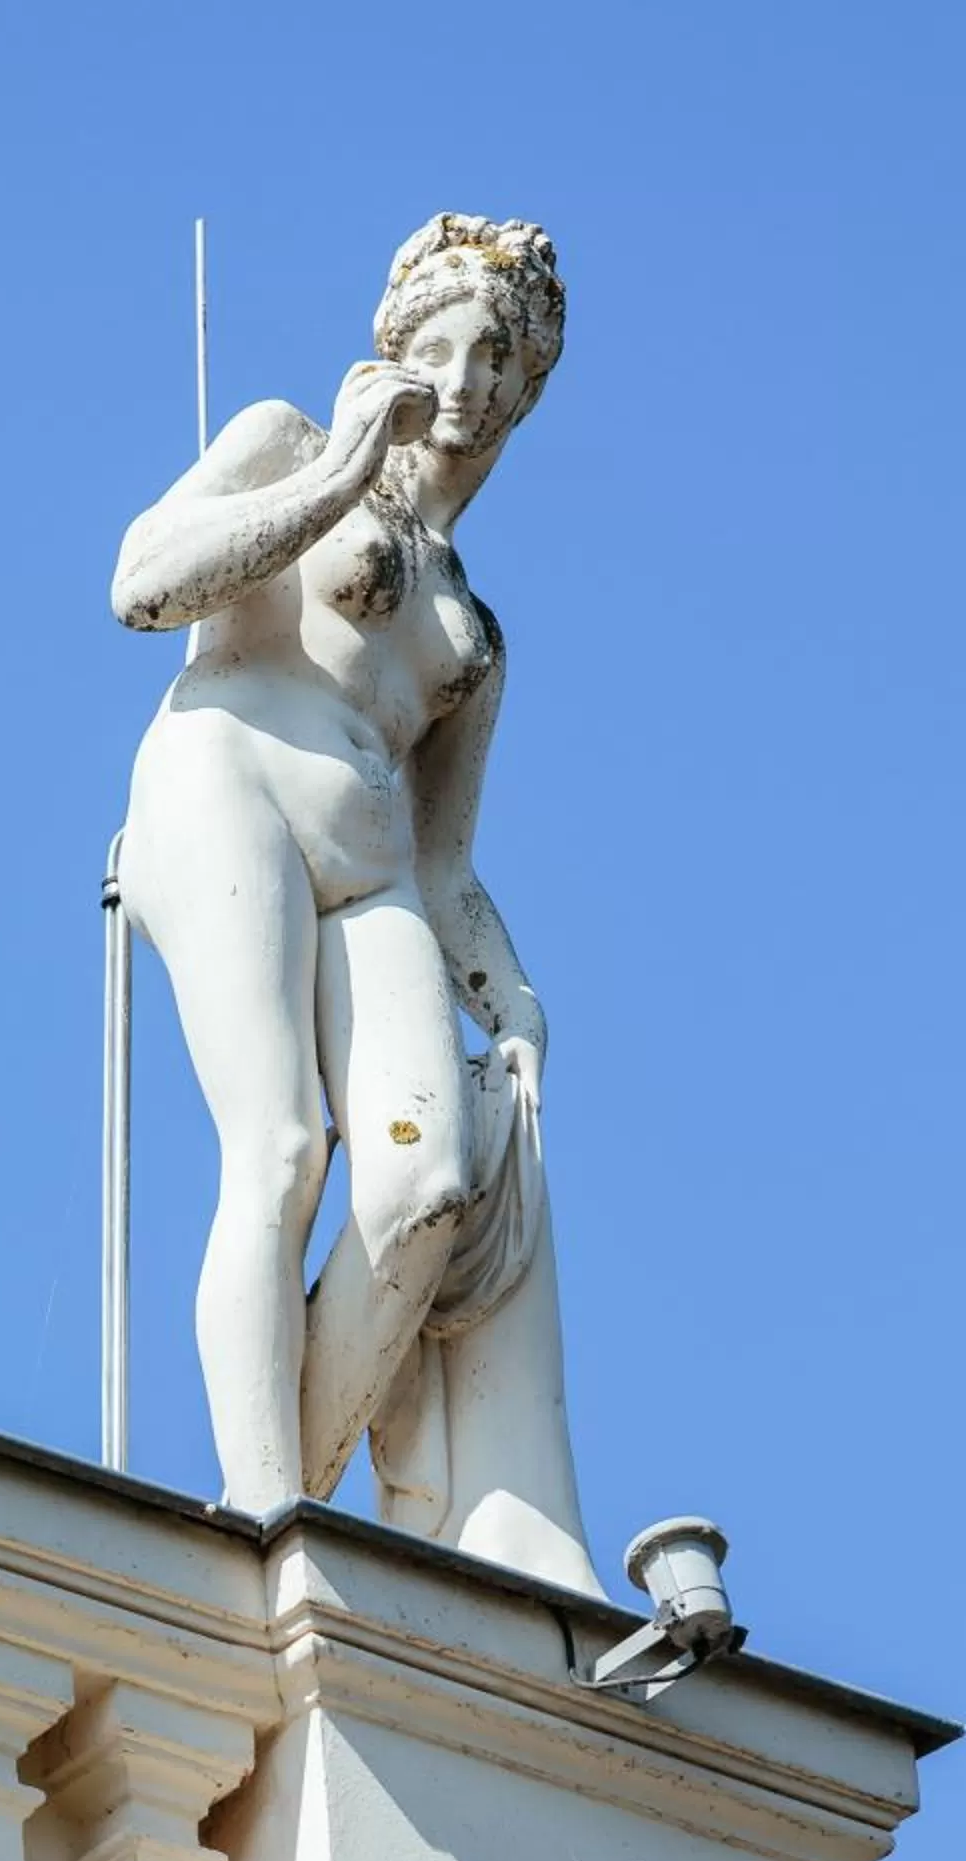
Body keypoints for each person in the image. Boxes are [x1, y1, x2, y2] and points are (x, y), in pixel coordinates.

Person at [112, 213, 602, 1597]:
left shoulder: (472, 632)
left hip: (377, 875)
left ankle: (301, 1497)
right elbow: (141, 584)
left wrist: (515, 1002)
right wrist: (336, 472)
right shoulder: (288, 440)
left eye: (497, 359)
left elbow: (447, 866)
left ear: (524, 390)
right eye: (441, 347)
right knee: (281, 1151)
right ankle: (261, 1499)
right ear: (394, 350)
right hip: (231, 784)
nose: (465, 382)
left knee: (426, 1186)